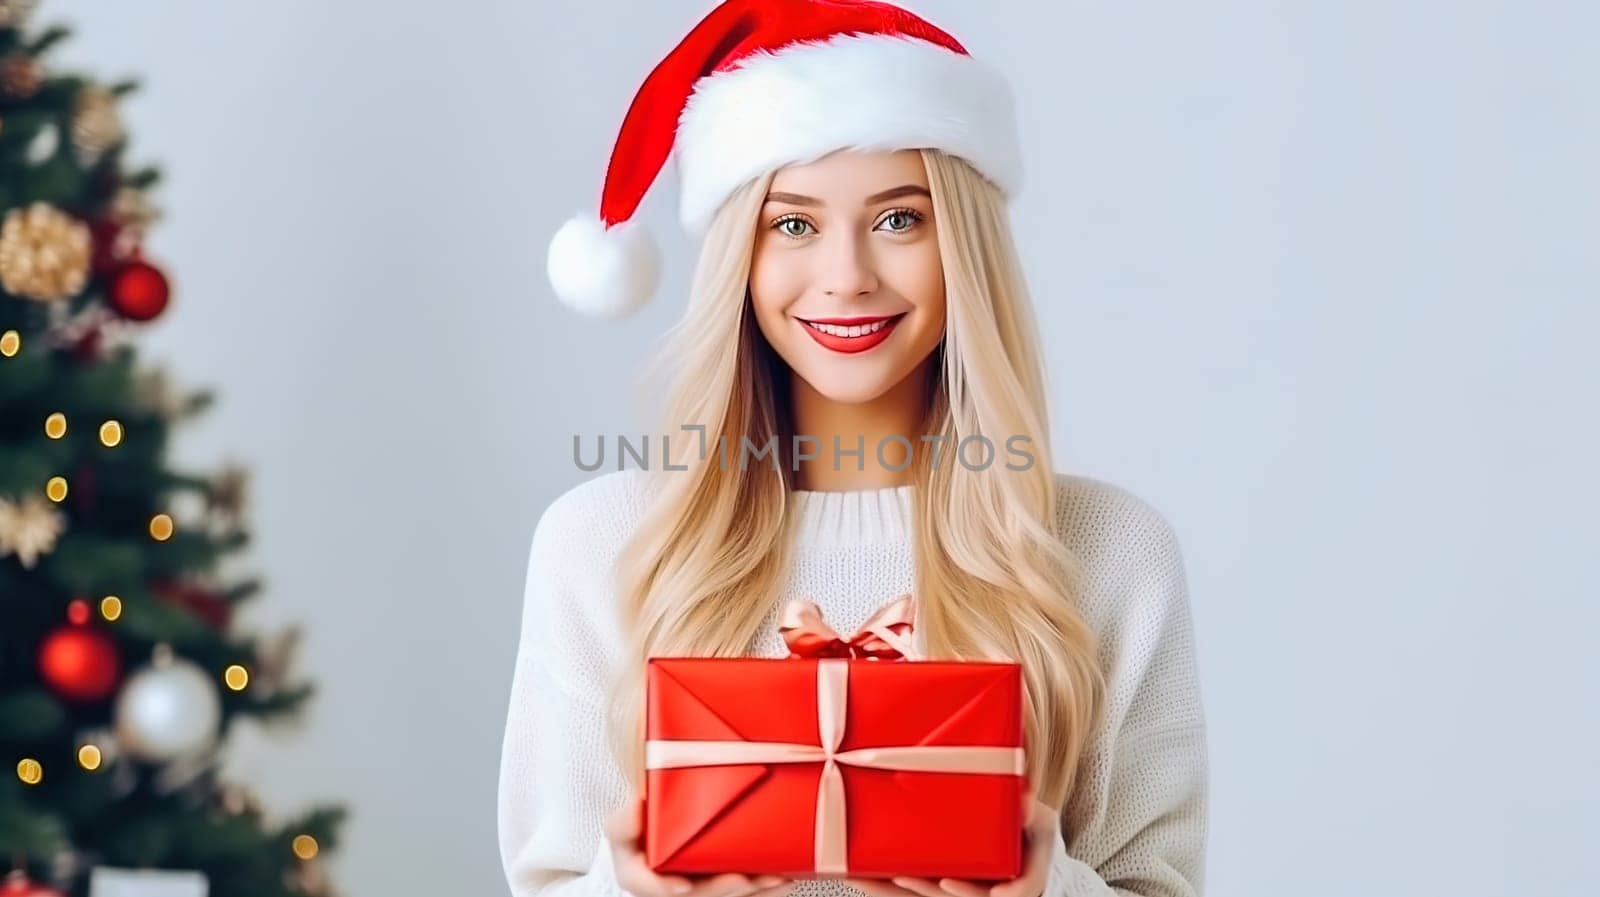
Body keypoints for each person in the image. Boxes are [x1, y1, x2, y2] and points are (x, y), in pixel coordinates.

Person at [499, 3, 1209, 897]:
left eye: (899, 220)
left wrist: (1045, 888)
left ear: (965, 248)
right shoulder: (603, 543)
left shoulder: (1110, 550)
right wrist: (631, 885)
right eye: (792, 223)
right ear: (740, 259)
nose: (846, 275)